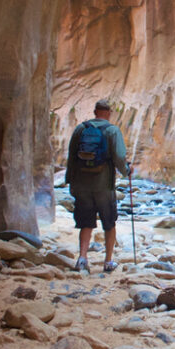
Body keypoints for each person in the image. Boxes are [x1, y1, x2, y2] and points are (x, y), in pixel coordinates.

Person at [65, 99, 131, 274]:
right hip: (104, 185)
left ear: (95, 112)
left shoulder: (80, 129)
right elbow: (119, 156)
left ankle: (82, 258)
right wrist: (126, 172)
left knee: (85, 222)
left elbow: (71, 156)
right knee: (109, 223)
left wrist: (70, 181)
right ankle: (108, 261)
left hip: (82, 184)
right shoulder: (112, 130)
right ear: (108, 113)